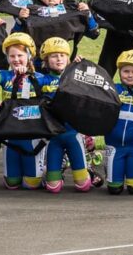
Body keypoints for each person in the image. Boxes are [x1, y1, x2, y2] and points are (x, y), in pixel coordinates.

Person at [38, 37, 95, 192]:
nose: (59, 59)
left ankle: (89, 169)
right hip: (53, 135)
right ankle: (54, 172)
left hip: (73, 133)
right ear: (46, 60)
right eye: (54, 56)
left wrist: (81, 66)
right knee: (53, 187)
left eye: (62, 55)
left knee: (83, 186)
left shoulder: (75, 76)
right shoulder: (42, 79)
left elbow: (93, 90)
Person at [0, 33, 45, 190]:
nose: (16, 59)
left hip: (32, 135)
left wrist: (26, 76)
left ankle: (52, 168)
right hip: (10, 134)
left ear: (28, 56)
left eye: (20, 55)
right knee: (11, 184)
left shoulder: (39, 77)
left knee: (31, 185)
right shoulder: (5, 76)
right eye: (11, 56)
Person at [105, 50, 133, 195]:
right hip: (114, 145)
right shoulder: (112, 90)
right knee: (114, 189)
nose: (130, 75)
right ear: (119, 71)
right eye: (126, 71)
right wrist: (78, 64)